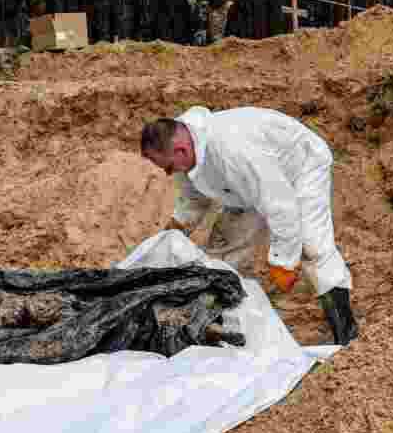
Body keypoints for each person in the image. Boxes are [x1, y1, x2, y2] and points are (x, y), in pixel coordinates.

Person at [140, 106, 359, 346]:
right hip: (243, 187)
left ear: (180, 150)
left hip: (298, 168)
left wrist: (283, 261)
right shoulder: (184, 148)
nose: (170, 173)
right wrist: (179, 224)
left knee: (312, 247)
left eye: (170, 167)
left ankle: (346, 333)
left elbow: (279, 203)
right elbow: (193, 196)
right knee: (222, 258)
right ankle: (215, 326)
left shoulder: (233, 148)